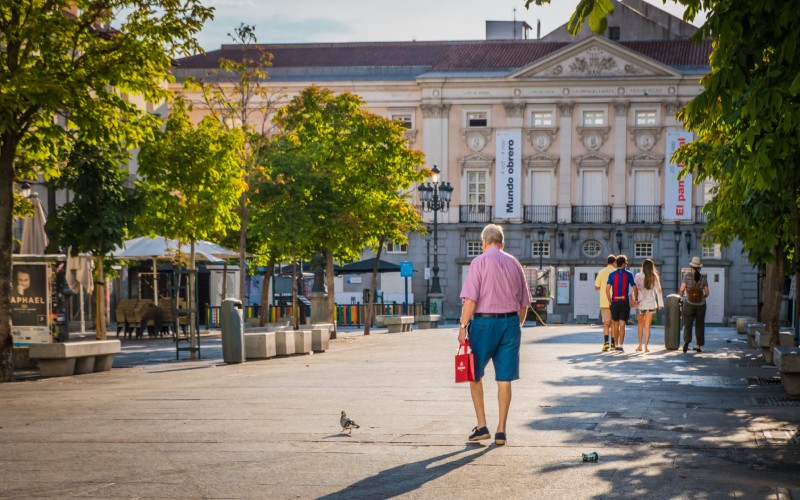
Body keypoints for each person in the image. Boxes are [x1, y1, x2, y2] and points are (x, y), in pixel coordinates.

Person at [458, 224, 531, 447]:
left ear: (484, 242)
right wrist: (515, 325)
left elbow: (470, 300)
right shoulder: (514, 263)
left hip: (483, 324)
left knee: (474, 375)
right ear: (502, 243)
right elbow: (524, 303)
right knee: (504, 379)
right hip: (510, 323)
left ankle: (482, 426)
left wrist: (462, 326)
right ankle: (501, 431)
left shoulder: (479, 262)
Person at [605, 255, 638, 352]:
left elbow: (607, 289)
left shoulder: (611, 274)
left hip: (614, 301)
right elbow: (635, 288)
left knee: (615, 324)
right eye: (626, 262)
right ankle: (620, 345)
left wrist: (609, 300)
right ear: (623, 264)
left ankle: (615, 345)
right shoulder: (628, 274)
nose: (627, 264)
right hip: (624, 301)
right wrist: (635, 298)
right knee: (622, 324)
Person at [680, 256, 709, 353]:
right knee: (700, 324)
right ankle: (699, 345)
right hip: (701, 304)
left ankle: (686, 342)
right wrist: (703, 297)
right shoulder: (703, 277)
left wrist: (683, 296)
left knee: (688, 324)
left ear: (691, 267)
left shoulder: (686, 276)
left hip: (689, 303)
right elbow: (707, 292)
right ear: (699, 267)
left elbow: (681, 289)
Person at [634, 259, 663, 353]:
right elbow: (659, 291)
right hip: (651, 303)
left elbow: (635, 289)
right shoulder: (654, 276)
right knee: (647, 326)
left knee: (640, 325)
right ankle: (646, 347)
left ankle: (639, 346)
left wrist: (635, 300)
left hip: (641, 304)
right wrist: (660, 303)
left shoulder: (638, 276)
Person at [594, 255, 617, 351]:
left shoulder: (601, 272)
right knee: (614, 324)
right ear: (614, 262)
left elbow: (596, 287)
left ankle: (606, 343)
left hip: (604, 301)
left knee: (606, 323)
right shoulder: (616, 272)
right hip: (616, 300)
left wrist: (602, 286)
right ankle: (613, 344)